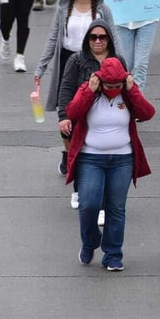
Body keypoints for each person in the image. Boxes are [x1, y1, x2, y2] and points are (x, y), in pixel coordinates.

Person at [67, 56, 155, 271]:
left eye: (118, 85)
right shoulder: (89, 89)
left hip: (122, 158)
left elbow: (148, 113)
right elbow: (73, 112)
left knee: (116, 208)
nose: (114, 89)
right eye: (109, 86)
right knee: (89, 204)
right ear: (100, 80)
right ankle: (90, 241)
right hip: (91, 157)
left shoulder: (127, 92)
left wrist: (132, 90)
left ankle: (113, 254)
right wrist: (89, 91)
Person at [35, 0, 116, 176]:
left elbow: (113, 37)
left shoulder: (102, 9)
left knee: (92, 108)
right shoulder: (63, 10)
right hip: (68, 61)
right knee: (66, 109)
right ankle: (68, 151)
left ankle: (90, 153)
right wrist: (41, 68)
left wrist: (122, 67)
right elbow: (53, 38)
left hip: (95, 61)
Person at [57, 19, 124, 209]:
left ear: (109, 40)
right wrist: (64, 117)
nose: (98, 41)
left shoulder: (118, 60)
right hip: (82, 117)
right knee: (81, 155)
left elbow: (127, 90)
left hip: (110, 120)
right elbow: (66, 88)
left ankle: (103, 200)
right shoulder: (76, 60)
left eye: (102, 37)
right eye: (93, 37)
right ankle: (78, 189)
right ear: (87, 39)